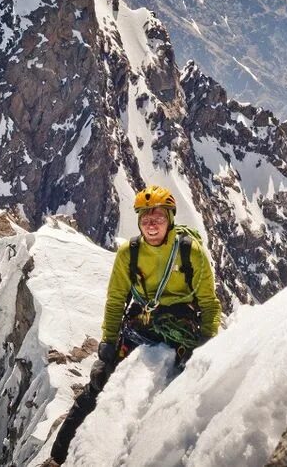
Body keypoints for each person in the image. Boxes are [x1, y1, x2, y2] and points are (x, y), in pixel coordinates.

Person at [48, 185, 221, 465]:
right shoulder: (128, 254)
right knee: (99, 381)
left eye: (158, 219)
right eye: (146, 219)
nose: (152, 225)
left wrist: (206, 340)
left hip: (182, 322)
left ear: (171, 220)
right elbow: (116, 300)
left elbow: (210, 304)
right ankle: (59, 455)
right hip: (141, 322)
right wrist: (108, 341)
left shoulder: (191, 252)